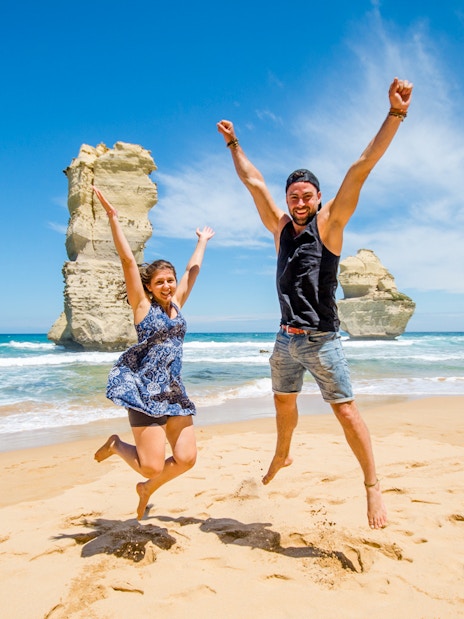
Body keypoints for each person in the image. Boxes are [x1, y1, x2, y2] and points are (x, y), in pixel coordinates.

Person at [217, 77, 413, 529]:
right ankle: (283, 455)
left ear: (319, 198)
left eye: (307, 194)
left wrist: (396, 114)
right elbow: (253, 181)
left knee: (345, 410)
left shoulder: (331, 227)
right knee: (284, 403)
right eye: (293, 196)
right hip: (285, 339)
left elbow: (362, 167)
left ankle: (372, 485)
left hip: (323, 341)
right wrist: (234, 143)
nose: (299, 200)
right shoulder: (280, 229)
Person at [92, 186, 215, 520]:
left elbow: (193, 271)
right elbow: (128, 261)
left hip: (173, 394)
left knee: (187, 458)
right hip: (145, 395)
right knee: (151, 465)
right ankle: (118, 446)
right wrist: (113, 218)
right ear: (149, 285)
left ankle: (147, 490)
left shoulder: (177, 303)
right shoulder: (143, 306)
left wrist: (202, 241)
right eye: (160, 281)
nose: (167, 286)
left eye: (170, 280)